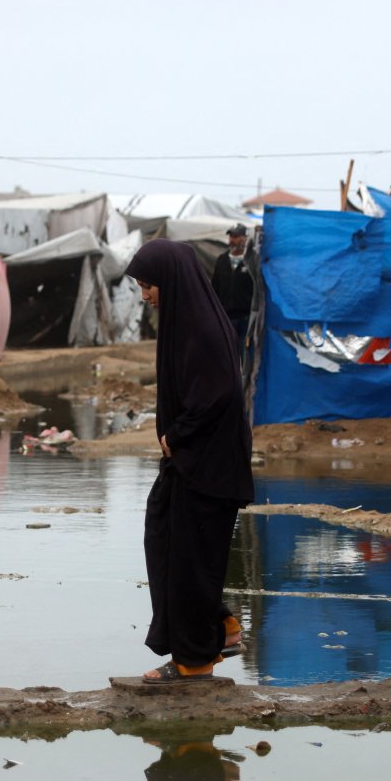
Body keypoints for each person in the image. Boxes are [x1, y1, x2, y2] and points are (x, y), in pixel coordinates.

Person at [126, 240, 253, 684]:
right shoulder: (187, 321)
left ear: (171, 281)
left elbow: (219, 393)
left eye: (148, 285)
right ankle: (221, 627)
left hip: (208, 466)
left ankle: (195, 659)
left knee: (188, 560)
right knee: (166, 539)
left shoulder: (199, 326)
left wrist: (176, 435)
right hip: (191, 464)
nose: (146, 295)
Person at [211, 224, 254, 360]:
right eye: (231, 236)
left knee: (244, 353)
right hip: (226, 317)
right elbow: (214, 288)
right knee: (227, 354)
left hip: (245, 317)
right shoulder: (222, 261)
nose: (232, 240)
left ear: (244, 239)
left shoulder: (251, 262)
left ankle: (244, 380)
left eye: (236, 237)